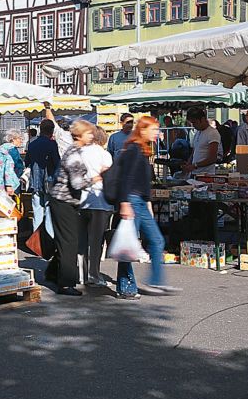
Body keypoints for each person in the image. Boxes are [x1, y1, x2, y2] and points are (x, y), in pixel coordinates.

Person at [114, 115, 178, 298]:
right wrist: (125, 203)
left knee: (157, 241)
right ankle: (125, 287)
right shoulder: (133, 149)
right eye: (154, 130)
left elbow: (142, 181)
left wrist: (148, 202)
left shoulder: (142, 149)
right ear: (142, 130)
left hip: (140, 201)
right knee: (128, 247)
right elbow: (126, 178)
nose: (157, 133)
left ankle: (155, 281)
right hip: (132, 202)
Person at [49, 120, 101, 297]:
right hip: (64, 201)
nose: (91, 136)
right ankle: (65, 283)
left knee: (65, 240)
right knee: (70, 242)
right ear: (79, 135)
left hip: (63, 200)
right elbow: (77, 183)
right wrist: (94, 179)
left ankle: (54, 273)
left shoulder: (74, 151)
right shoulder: (74, 154)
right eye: (88, 133)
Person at [79, 125, 114, 287]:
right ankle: (94, 274)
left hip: (81, 201)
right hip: (99, 201)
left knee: (82, 240)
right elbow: (108, 177)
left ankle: (81, 274)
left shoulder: (80, 152)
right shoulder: (105, 155)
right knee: (96, 241)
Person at [181, 106, 220, 176]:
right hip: (195, 173)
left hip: (206, 175)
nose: (193, 125)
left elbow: (212, 158)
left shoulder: (212, 133)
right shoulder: (197, 133)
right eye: (192, 123)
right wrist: (188, 164)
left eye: (194, 122)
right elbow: (194, 152)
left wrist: (195, 165)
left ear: (202, 119)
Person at [24, 119, 60, 193]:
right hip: (48, 181)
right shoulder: (52, 144)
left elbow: (27, 162)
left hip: (35, 181)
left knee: (36, 203)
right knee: (48, 203)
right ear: (52, 130)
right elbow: (57, 162)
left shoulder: (31, 144)